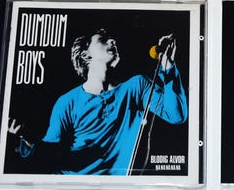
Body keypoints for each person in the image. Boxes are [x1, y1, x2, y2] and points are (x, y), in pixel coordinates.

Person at [12, 29, 187, 175]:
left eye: (111, 39)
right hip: (73, 188)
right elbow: (49, 153)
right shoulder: (67, 102)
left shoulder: (137, 87)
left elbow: (176, 114)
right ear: (85, 54)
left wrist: (167, 65)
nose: (112, 41)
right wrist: (26, 138)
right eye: (103, 39)